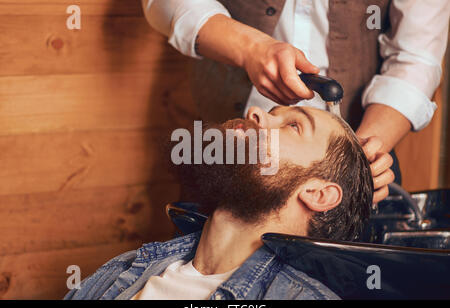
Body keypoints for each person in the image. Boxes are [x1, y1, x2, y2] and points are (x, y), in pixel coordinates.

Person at [141, 0, 450, 203]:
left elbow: (416, 58)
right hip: (225, 151)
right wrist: (249, 48)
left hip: (363, 137)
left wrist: (358, 157)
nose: (257, 114)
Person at [64, 105, 373, 300]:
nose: (255, 112)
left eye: (293, 125)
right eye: (273, 112)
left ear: (318, 194)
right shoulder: (122, 270)